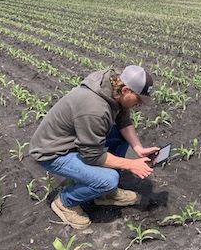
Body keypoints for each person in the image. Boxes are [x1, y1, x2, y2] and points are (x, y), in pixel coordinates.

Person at [29, 65, 159, 229]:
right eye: (139, 98)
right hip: (52, 152)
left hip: (74, 139)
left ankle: (105, 194)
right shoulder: (94, 108)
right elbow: (92, 155)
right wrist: (131, 164)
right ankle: (65, 202)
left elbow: (123, 120)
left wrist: (138, 148)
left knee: (120, 136)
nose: (140, 103)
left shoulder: (113, 87)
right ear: (126, 90)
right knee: (108, 180)